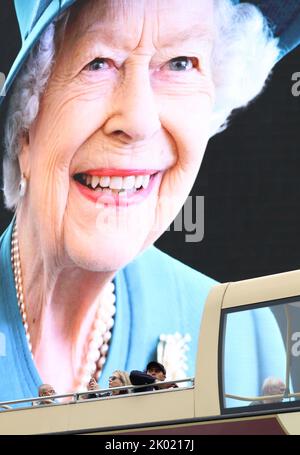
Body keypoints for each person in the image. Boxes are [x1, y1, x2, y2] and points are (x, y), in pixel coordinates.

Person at [0, 0, 299, 403]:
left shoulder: (243, 342)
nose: (139, 122)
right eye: (98, 63)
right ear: (24, 127)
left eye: (180, 63)